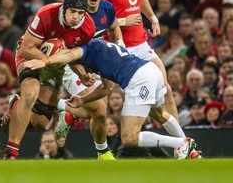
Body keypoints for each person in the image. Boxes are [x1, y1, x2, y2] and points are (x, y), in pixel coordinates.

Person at [24, 39, 201, 159]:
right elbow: (107, 88)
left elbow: (69, 56)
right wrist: (83, 101)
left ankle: (180, 143)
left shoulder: (85, 48)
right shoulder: (102, 49)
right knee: (161, 114)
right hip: (150, 71)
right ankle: (190, 149)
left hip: (138, 80)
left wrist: (45, 61)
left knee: (130, 138)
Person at [3, 0, 96, 159]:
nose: (76, 17)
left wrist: (82, 74)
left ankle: (17, 104)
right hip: (31, 55)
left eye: (80, 13)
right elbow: (26, 48)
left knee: (40, 123)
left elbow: (72, 56)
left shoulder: (88, 28)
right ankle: (11, 150)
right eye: (72, 11)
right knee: (30, 93)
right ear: (65, 8)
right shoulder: (46, 14)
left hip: (55, 63)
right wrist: (48, 60)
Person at [101, 0, 179, 123]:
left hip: (141, 45)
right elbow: (96, 22)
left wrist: (152, 18)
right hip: (116, 50)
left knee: (165, 88)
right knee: (104, 95)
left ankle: (183, 142)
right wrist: (122, 22)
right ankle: (94, 137)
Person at [52, 0, 124, 160]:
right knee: (98, 108)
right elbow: (68, 51)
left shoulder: (107, 8)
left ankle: (101, 151)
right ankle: (60, 107)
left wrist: (120, 44)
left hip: (96, 61)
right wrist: (83, 73)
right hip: (73, 63)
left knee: (100, 114)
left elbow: (114, 27)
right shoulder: (74, 15)